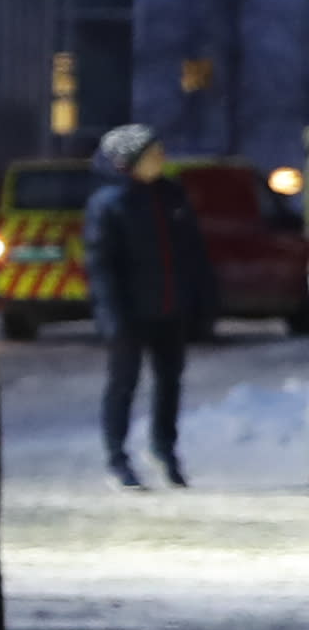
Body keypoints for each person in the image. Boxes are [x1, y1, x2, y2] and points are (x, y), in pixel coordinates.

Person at [83, 122, 216, 491]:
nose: (161, 158)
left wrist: (202, 301)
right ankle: (117, 458)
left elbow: (193, 252)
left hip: (170, 309)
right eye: (153, 153)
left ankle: (164, 449)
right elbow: (102, 265)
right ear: (131, 160)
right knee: (123, 384)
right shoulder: (111, 203)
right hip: (129, 313)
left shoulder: (172, 195)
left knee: (169, 383)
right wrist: (112, 317)